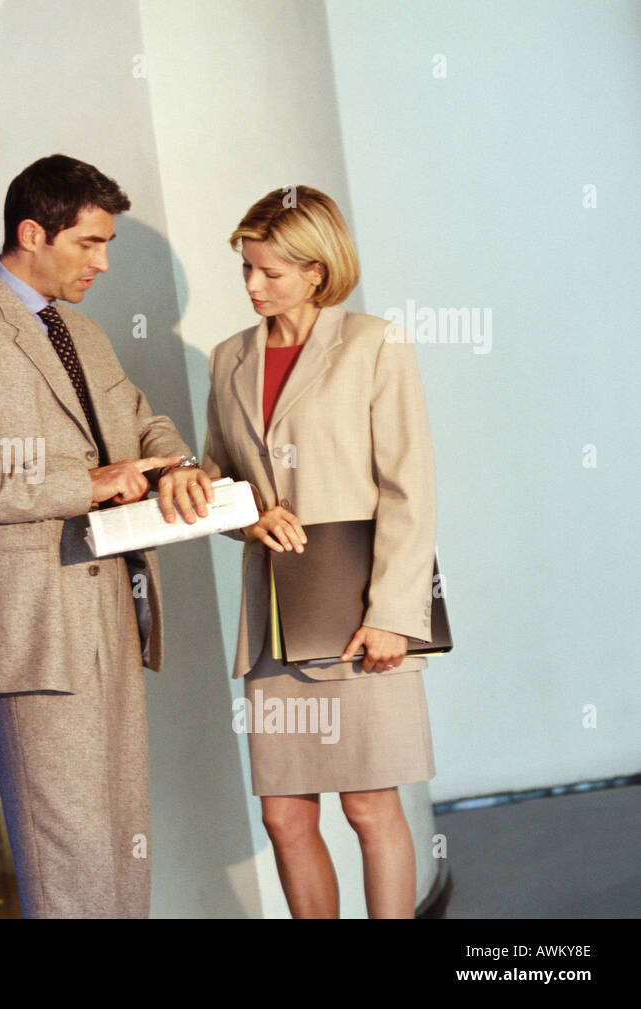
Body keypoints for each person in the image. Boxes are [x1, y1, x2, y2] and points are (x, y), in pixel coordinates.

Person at [0, 154, 214, 918]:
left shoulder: (81, 331)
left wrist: (173, 460)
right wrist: (89, 483)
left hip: (109, 606)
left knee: (118, 834)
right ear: (31, 232)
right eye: (88, 243)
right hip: (31, 631)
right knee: (66, 855)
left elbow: (142, 419)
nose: (103, 263)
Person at [200, 186, 438, 918]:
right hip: (276, 618)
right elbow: (218, 478)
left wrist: (396, 613)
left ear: (317, 270)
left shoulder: (373, 343)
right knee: (285, 817)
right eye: (245, 269)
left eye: (270, 271)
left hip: (363, 613)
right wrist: (244, 514)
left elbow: (410, 486)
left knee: (369, 807)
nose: (252, 286)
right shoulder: (228, 358)